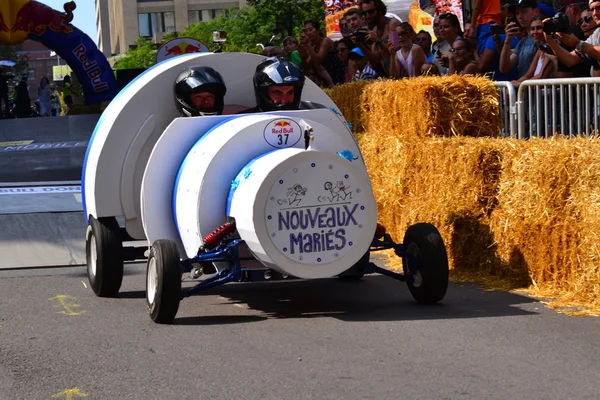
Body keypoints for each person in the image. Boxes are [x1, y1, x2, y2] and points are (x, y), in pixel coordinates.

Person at [239, 57, 306, 114]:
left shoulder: (308, 119)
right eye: (277, 93)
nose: (284, 100)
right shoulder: (240, 122)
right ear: (263, 93)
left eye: (289, 93)